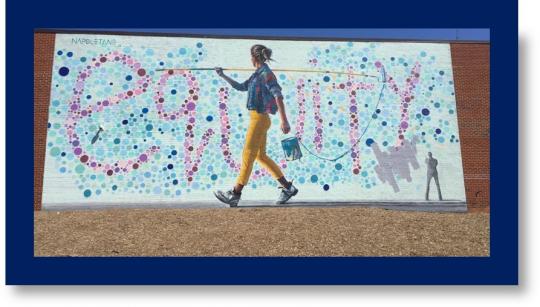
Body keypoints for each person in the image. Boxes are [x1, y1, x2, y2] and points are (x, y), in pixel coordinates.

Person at [213, 44, 298, 207]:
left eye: (250, 57)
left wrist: (284, 120)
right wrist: (222, 75)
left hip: (259, 119)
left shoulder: (266, 74)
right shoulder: (256, 75)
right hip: (258, 119)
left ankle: (235, 193)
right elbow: (240, 87)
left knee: (248, 154)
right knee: (260, 156)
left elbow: (278, 96)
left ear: (254, 57)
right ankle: (288, 187)